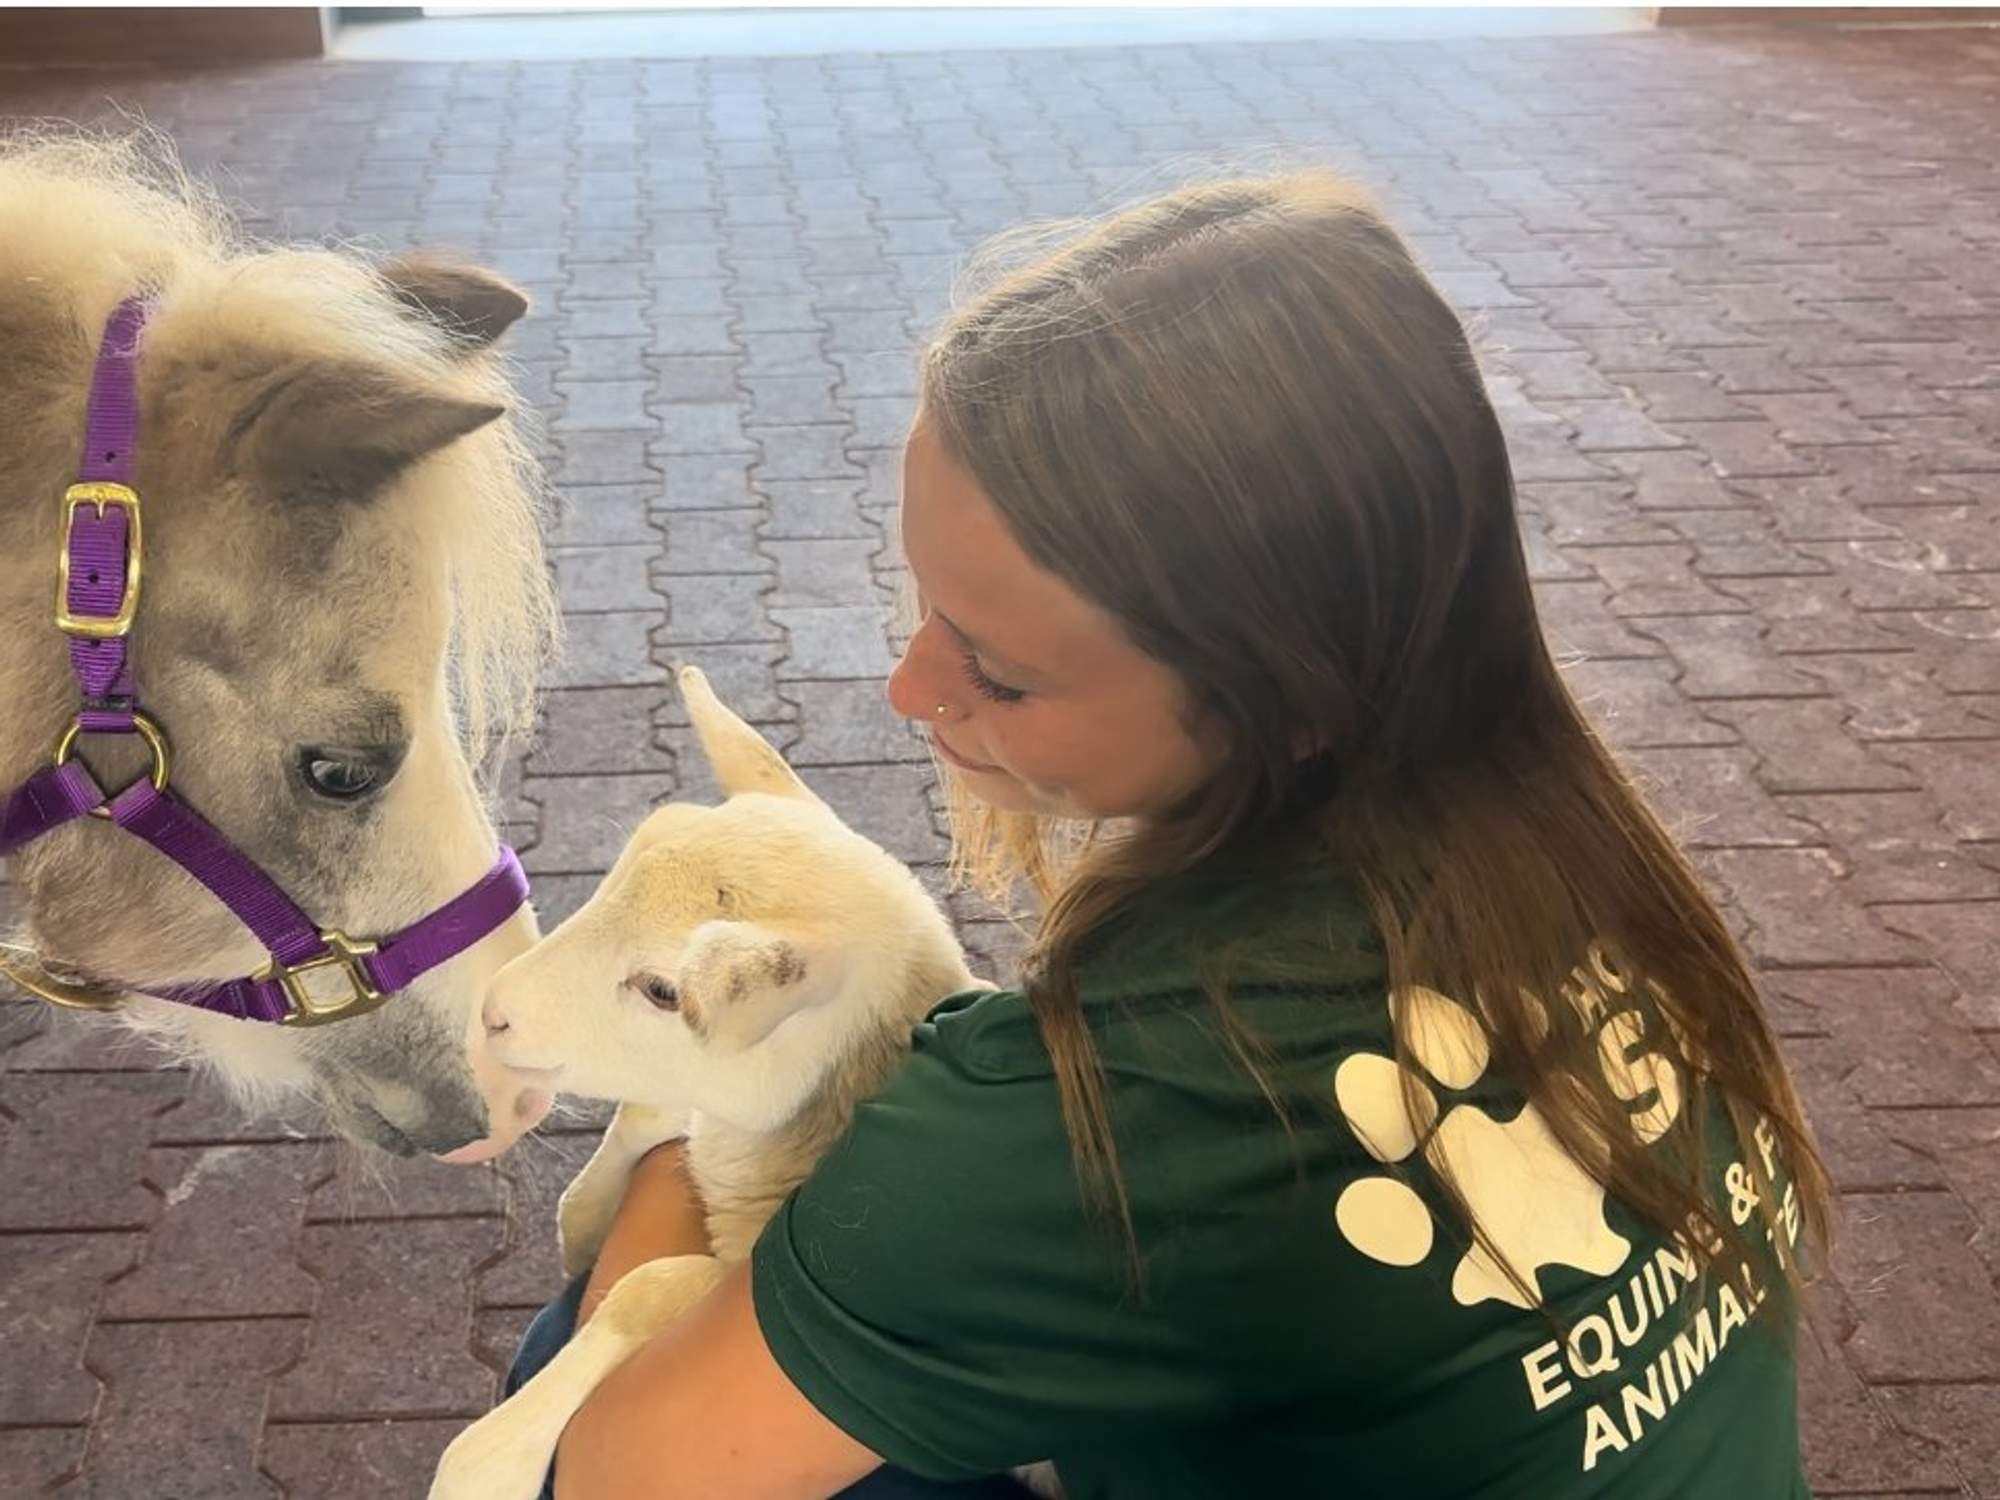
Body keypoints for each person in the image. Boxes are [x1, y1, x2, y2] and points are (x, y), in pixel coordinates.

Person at [509, 169, 1832, 1499]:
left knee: (580, 1353)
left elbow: (609, 1472)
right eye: (922, 603)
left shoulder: (1099, 1112)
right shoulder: (1576, 857)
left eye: (996, 671)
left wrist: (695, 1099)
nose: (911, 689)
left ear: (1291, 697)